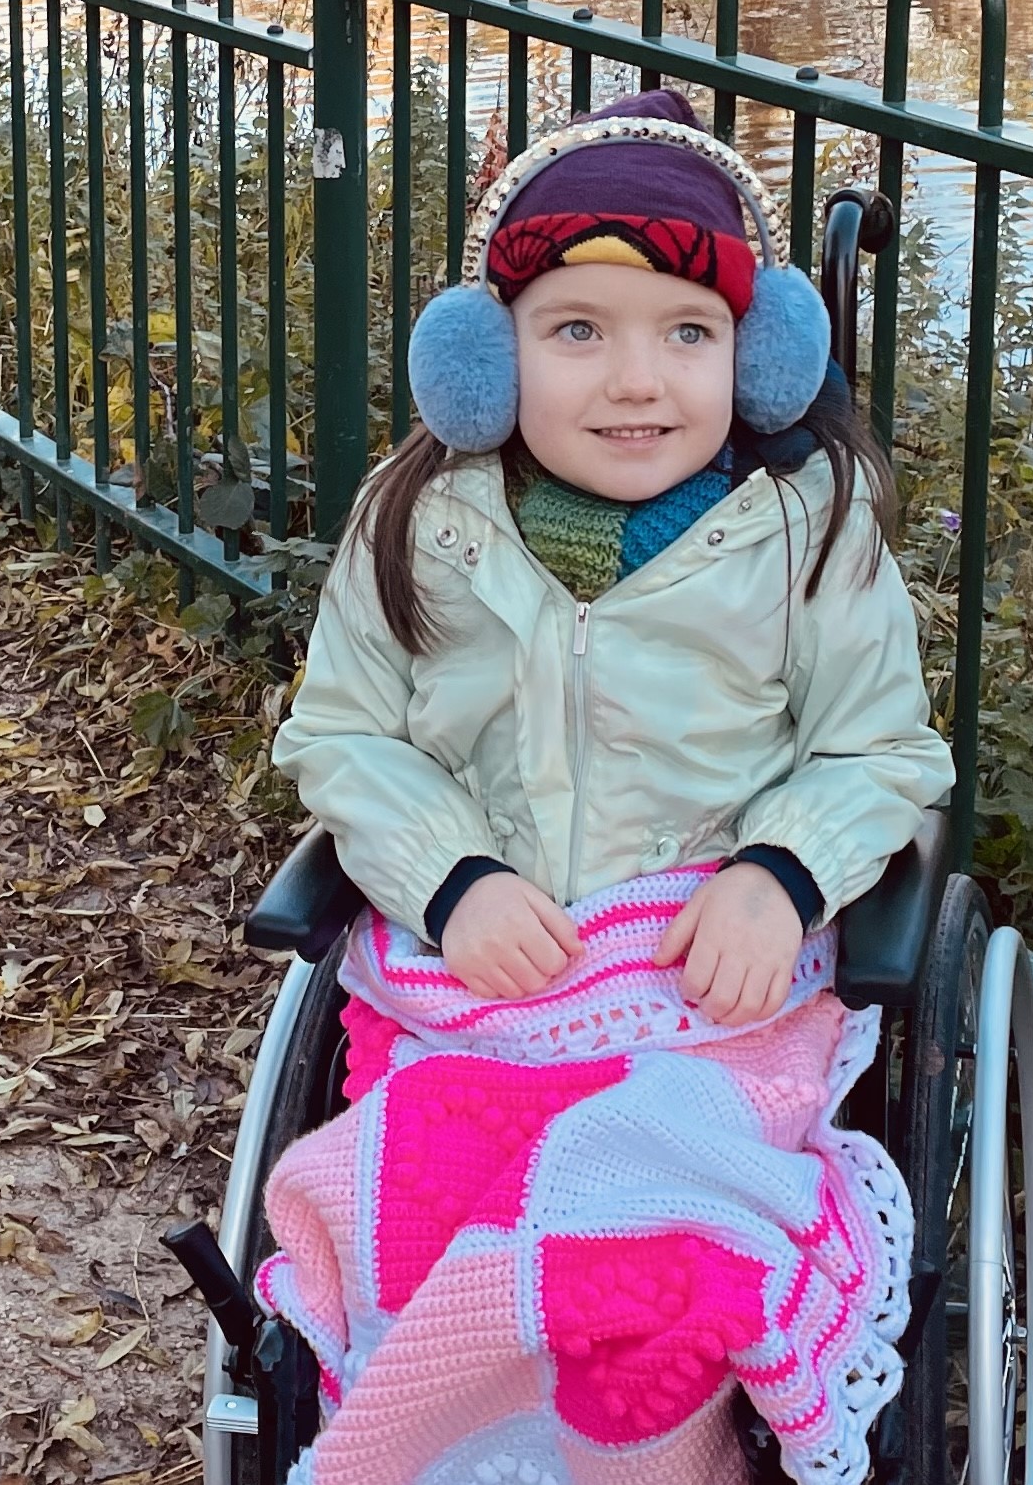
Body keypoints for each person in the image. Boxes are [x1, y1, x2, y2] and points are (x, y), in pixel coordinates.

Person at [261, 89, 954, 1485]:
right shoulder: (419, 523)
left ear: (754, 361)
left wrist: (782, 872)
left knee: (642, 1252)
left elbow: (881, 747)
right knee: (424, 1201)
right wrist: (448, 877)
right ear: (486, 356)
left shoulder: (803, 531)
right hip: (475, 981)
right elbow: (341, 734)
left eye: (686, 335)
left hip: (705, 988)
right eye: (577, 330)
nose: (637, 382)